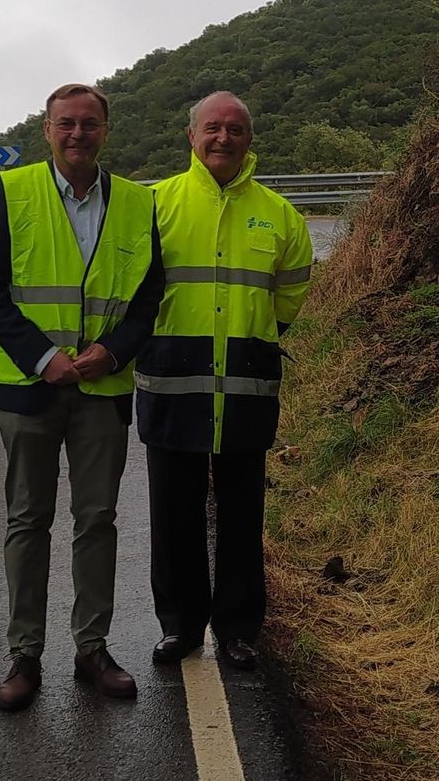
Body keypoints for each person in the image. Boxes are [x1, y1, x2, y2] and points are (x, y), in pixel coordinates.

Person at [0, 83, 162, 708]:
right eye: (66, 124)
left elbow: (147, 299)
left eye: (90, 124)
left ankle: (91, 649)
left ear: (106, 129)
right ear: (47, 129)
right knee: (28, 520)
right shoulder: (10, 191)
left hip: (102, 387)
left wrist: (114, 351)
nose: (78, 134)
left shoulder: (137, 201)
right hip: (28, 388)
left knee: (97, 519)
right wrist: (41, 356)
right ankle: (24, 655)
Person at [134, 91, 314, 670]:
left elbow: (291, 291)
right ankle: (180, 626)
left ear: (249, 139)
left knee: (241, 515)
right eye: (212, 127)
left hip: (246, 385)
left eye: (235, 129)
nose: (223, 138)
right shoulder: (152, 204)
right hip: (172, 382)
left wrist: (256, 331)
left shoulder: (280, 214)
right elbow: (131, 289)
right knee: (174, 513)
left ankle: (238, 628)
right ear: (191, 136)